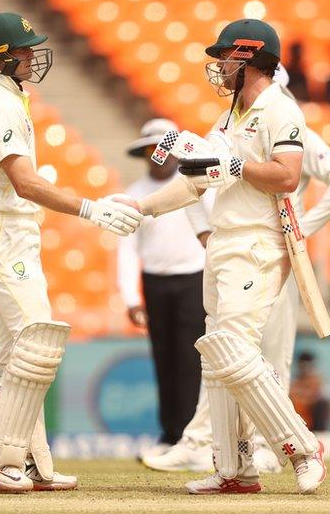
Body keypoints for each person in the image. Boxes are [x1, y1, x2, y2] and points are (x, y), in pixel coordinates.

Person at [131, 18, 327, 494]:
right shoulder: (226, 119)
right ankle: (235, 470)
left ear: (250, 58)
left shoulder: (281, 111)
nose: (218, 66)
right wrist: (140, 208)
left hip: (258, 244)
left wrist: (235, 166)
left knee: (236, 351)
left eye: (226, 57)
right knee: (217, 357)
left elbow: (286, 175)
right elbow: (197, 182)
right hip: (222, 245)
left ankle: (301, 448)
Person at [0, 12, 143, 493]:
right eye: (22, 50)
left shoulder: (2, 99)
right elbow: (24, 183)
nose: (31, 56)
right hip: (3, 236)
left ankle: (33, 460)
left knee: (25, 352)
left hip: (3, 236)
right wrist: (91, 209)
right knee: (36, 345)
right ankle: (1, 458)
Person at [116, 118, 211, 458]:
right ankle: (170, 434)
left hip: (193, 278)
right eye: (151, 150)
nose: (159, 156)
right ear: (143, 155)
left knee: (190, 359)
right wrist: (131, 296)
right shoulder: (135, 194)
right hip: (155, 281)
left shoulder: (194, 187)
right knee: (163, 359)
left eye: (164, 149)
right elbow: (126, 249)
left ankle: (191, 436)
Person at [289, 351, 330, 431]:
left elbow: (328, 401)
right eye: (303, 366)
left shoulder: (319, 383)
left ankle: (321, 433)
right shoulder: (293, 383)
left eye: (307, 366)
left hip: (312, 426)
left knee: (323, 403)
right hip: (296, 425)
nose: (305, 369)